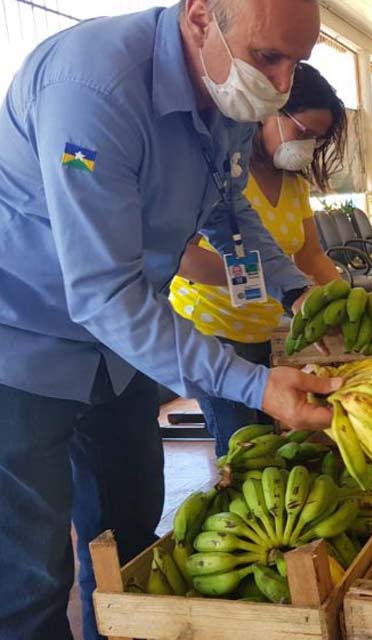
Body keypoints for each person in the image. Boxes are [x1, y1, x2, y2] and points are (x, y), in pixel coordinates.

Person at [0, 1, 340, 637]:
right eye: (268, 57)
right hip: (21, 346)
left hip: (119, 354)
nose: (281, 84)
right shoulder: (92, 91)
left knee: (130, 546)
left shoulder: (225, 92)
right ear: (201, 17)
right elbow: (104, 292)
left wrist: (297, 292)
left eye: (297, 63)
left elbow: (230, 209)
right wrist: (254, 385)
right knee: (29, 579)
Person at [170, 63, 345, 457]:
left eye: (317, 139)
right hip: (213, 330)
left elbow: (311, 254)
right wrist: (251, 278)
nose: (308, 146)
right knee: (243, 445)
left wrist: (343, 298)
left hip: (266, 331)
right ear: (269, 112)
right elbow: (182, 256)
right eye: (303, 132)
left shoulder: (294, 185)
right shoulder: (225, 175)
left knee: (270, 438)